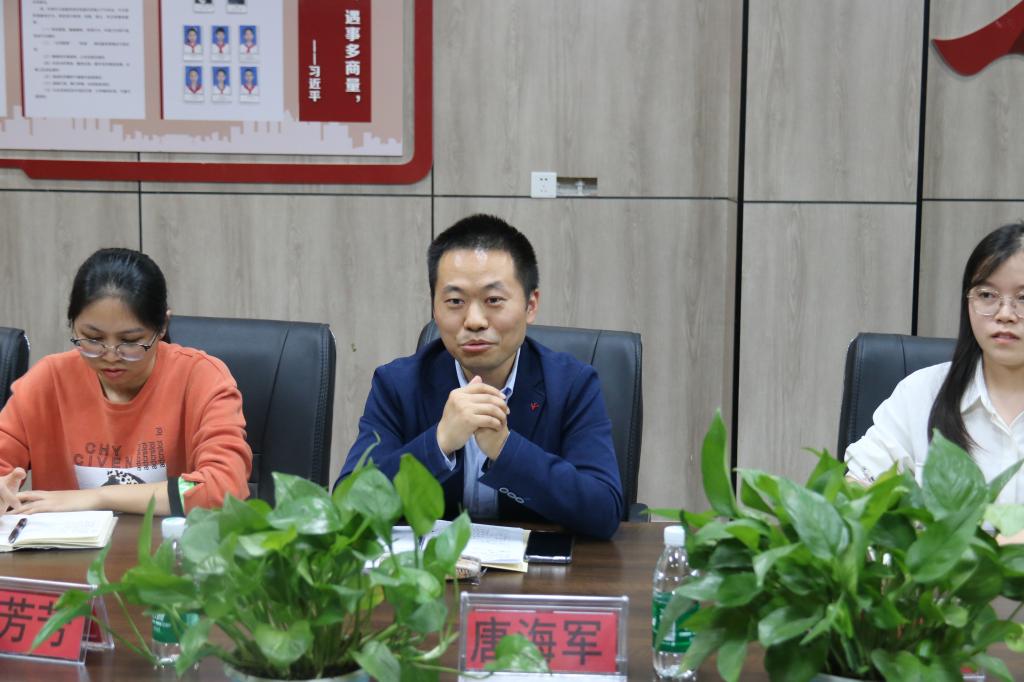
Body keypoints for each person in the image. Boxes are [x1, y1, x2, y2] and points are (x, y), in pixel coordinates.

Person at [336, 214, 623, 539]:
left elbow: (603, 511)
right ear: (434, 308)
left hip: (537, 569)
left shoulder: (572, 385)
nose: (474, 320)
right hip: (430, 568)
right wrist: (439, 442)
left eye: (493, 300)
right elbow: (347, 508)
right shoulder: (397, 385)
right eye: (455, 301)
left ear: (530, 305)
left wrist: (506, 449)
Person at [0, 249, 252, 517]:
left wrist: (97, 497)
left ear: (162, 326)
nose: (110, 356)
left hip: (168, 544)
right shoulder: (48, 381)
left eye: (130, 341)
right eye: (92, 339)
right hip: (64, 545)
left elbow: (224, 487)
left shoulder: (201, 378)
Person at [846, 222, 1024, 504]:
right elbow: (857, 487)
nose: (1005, 314)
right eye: (987, 295)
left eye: (1023, 298)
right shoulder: (920, 393)